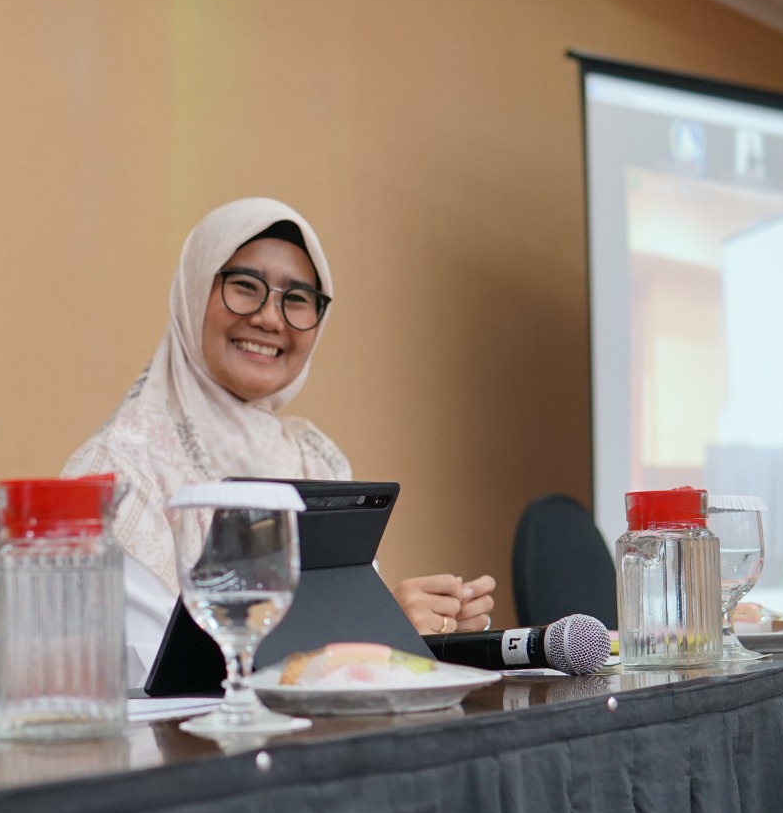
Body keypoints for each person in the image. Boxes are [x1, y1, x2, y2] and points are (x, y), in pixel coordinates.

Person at [63, 198, 494, 684]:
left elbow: (333, 637)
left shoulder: (315, 461)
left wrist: (400, 629)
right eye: (245, 287)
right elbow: (156, 677)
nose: (271, 318)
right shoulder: (114, 473)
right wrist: (373, 638)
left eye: (297, 298)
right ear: (193, 292)